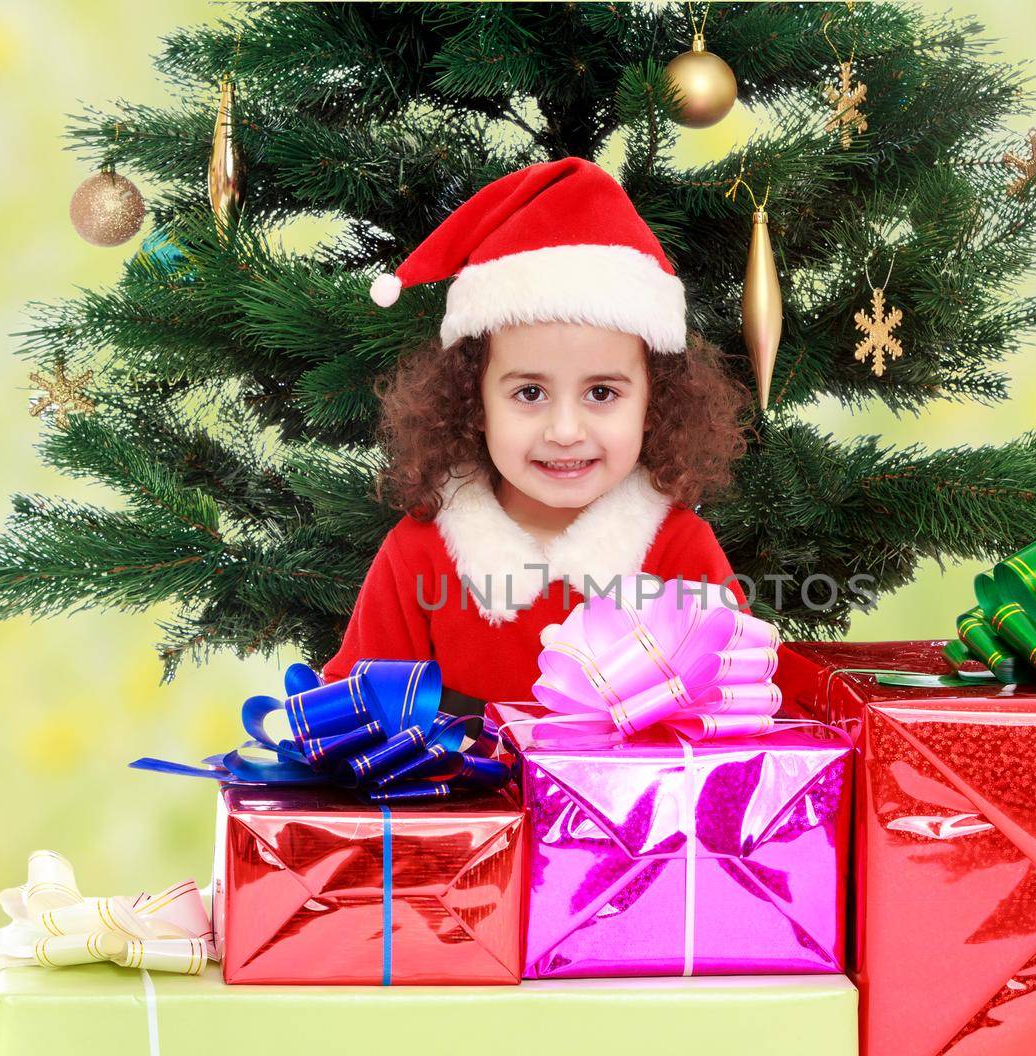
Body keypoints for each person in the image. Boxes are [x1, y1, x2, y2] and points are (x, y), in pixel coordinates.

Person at [321, 157, 750, 702]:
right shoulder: (418, 554)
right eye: (530, 393)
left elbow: (738, 705)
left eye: (602, 393)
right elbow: (354, 712)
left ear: (654, 403)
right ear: (473, 400)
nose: (566, 430)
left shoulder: (681, 550)